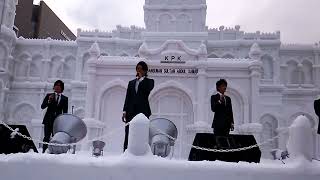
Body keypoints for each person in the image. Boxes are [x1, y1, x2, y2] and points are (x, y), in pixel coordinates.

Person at [122, 61, 154, 151]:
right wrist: (124, 111)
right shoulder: (131, 83)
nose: (138, 70)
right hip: (130, 112)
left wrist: (141, 79)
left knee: (141, 133)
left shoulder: (149, 82)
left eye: (140, 68)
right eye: (137, 68)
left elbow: (147, 89)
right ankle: (126, 151)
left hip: (143, 112)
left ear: (145, 70)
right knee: (128, 133)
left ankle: (141, 152)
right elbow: (128, 97)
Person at [41, 80, 68, 153]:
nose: (57, 87)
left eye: (59, 85)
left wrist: (64, 122)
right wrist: (49, 101)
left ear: (62, 88)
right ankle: (43, 152)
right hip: (48, 120)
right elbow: (42, 106)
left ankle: (53, 152)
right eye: (56, 85)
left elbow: (65, 112)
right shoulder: (49, 95)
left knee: (55, 138)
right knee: (46, 137)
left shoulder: (65, 99)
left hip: (58, 122)